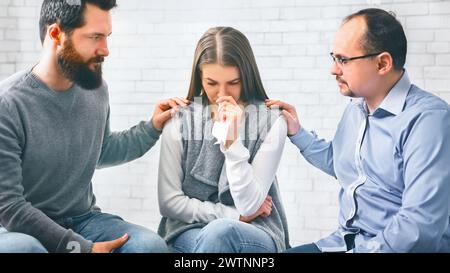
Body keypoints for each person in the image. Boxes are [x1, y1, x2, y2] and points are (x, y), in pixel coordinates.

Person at [0, 0, 187, 253]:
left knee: (149, 246)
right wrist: (80, 248)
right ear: (56, 34)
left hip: (81, 219)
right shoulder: (8, 104)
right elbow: (9, 207)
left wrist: (151, 127)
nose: (106, 49)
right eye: (95, 37)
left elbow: (102, 150)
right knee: (22, 249)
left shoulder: (96, 89)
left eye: (107, 37)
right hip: (18, 227)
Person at [267, 8, 450, 253]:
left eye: (343, 60)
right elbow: (342, 164)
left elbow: (419, 226)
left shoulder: (428, 120)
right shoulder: (356, 109)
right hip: (343, 242)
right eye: (334, 58)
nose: (333, 69)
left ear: (383, 63)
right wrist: (297, 132)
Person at [157, 27, 290, 253]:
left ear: (246, 75)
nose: (222, 94)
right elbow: (169, 202)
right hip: (190, 229)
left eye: (234, 82)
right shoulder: (179, 120)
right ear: (199, 77)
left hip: (258, 230)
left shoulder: (273, 121)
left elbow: (250, 205)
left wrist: (232, 144)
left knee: (220, 233)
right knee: (215, 233)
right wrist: (232, 215)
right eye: (211, 83)